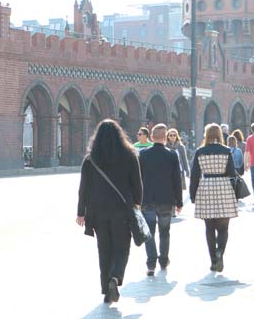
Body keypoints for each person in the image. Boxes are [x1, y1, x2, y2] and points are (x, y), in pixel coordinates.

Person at [76, 119, 143, 304]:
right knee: (122, 248)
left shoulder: (90, 160)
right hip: (122, 211)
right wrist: (137, 203)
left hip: (97, 213)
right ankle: (115, 277)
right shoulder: (129, 155)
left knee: (104, 250)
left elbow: (84, 189)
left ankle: (106, 290)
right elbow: (137, 184)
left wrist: (81, 212)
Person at [190, 123, 238, 272]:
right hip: (223, 188)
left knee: (209, 228)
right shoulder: (226, 151)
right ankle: (220, 251)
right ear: (219, 135)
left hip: (206, 187)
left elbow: (194, 175)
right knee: (223, 227)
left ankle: (213, 260)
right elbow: (231, 173)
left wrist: (193, 195)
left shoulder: (200, 151)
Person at [139, 124, 183, 276]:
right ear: (165, 138)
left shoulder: (143, 155)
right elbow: (177, 179)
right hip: (166, 200)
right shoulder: (171, 155)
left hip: (148, 200)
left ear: (151, 137)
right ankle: (163, 261)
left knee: (149, 232)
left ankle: (151, 263)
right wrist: (179, 202)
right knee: (165, 232)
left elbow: (138, 179)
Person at [166, 128, 189, 192]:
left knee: (179, 189)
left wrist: (187, 171)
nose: (173, 137)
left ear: (177, 136)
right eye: (171, 135)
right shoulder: (165, 147)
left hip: (180, 170)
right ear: (168, 136)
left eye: (174, 135)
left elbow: (184, 159)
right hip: (169, 171)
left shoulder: (181, 147)